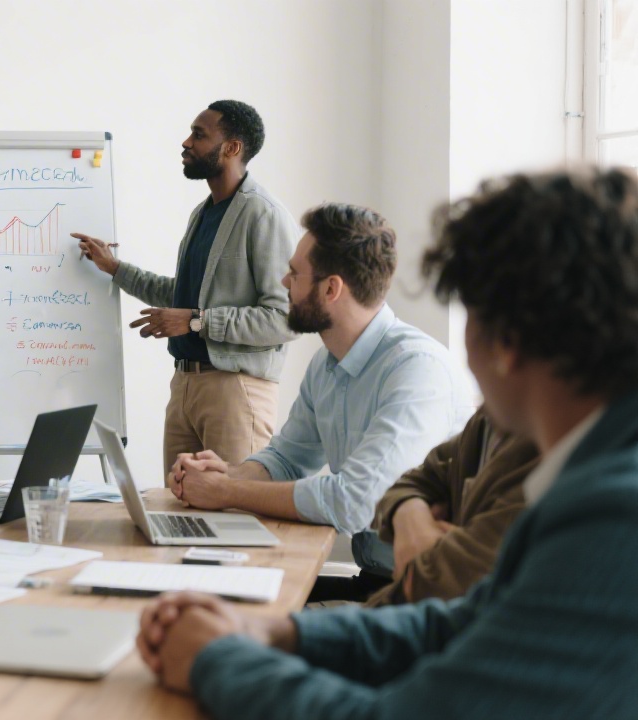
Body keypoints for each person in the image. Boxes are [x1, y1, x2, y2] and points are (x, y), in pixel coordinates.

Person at [137, 166, 638, 718]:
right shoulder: (586, 465)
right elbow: (453, 623)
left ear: (507, 342)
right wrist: (271, 633)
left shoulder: (610, 516)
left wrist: (215, 658)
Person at [171, 203, 470, 580]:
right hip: (376, 578)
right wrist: (227, 474)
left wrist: (227, 492)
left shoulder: (417, 369)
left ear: (331, 289)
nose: (284, 282)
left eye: (295, 273)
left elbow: (356, 502)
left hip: (429, 593)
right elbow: (286, 459)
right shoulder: (326, 364)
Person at [74, 100, 296, 474]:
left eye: (198, 134)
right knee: (175, 503)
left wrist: (195, 321)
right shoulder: (204, 213)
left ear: (232, 148)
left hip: (235, 389)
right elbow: (184, 296)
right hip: (185, 385)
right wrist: (114, 268)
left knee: (232, 505)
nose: (186, 142)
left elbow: (284, 319)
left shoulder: (264, 215)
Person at [366, 406, 539, 607]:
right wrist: (411, 516)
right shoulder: (485, 421)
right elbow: (408, 484)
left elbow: (444, 581)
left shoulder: (543, 443)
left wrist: (421, 562)